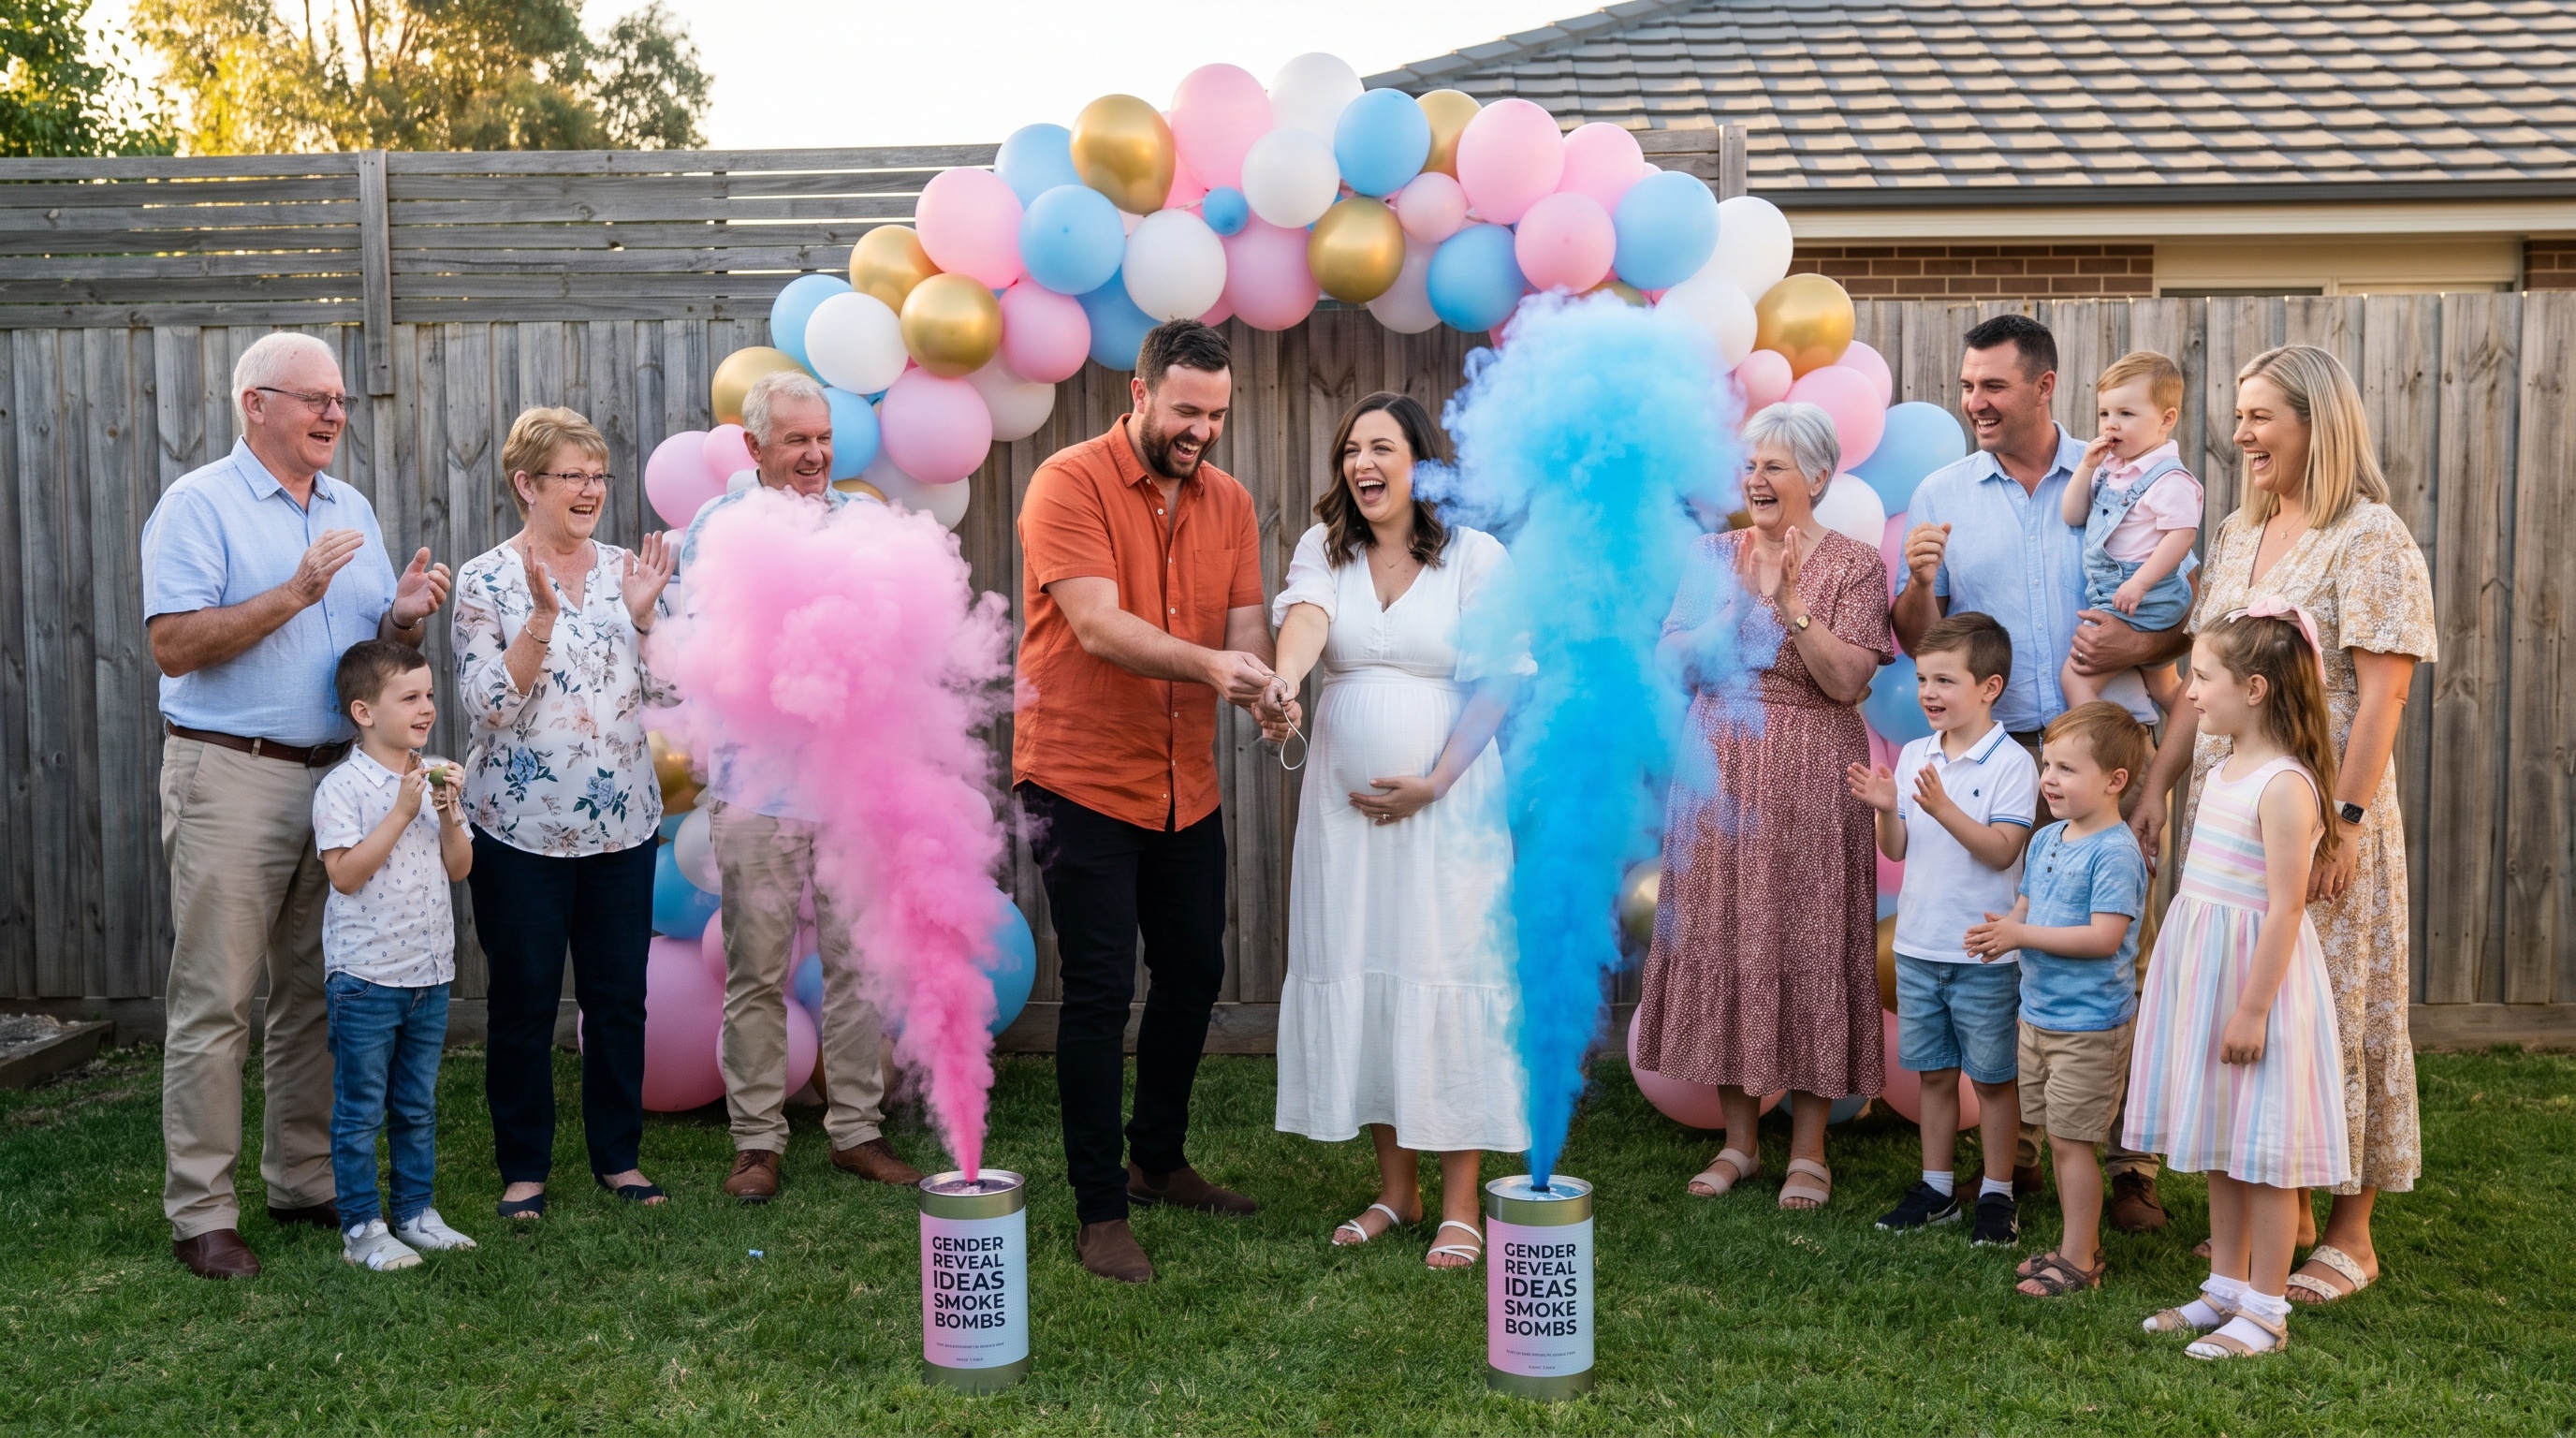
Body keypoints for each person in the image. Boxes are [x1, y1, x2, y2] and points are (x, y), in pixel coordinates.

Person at [141, 330, 452, 1280]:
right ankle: (201, 1212)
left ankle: (303, 1178)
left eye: (340, 400)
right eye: (312, 398)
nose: (332, 414)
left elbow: (365, 650)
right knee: (218, 1001)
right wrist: (292, 591)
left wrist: (399, 615)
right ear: (255, 405)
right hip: (232, 776)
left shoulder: (351, 505)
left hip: (336, 781)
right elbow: (174, 644)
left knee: (315, 994)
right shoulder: (198, 505)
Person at [2131, 345, 2437, 1308]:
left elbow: (2383, 697)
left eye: (2261, 415)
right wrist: (2157, 784)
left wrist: (2341, 826)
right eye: (2239, 413)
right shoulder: (2236, 531)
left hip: (2322, 813)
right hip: (2232, 811)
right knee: (2247, 1001)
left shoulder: (2370, 537)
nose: (2240, 432)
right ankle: (2282, 1207)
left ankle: (2350, 1233)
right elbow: (2200, 678)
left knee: (2333, 1008)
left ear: (2318, 423)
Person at [1015, 319, 1290, 1284]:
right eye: (1184, 410)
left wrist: (1267, 692)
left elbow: (1247, 629)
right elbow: (1096, 626)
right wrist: (1217, 666)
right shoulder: (1068, 483)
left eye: (1216, 415)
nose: (1200, 430)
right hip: (1078, 775)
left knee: (1192, 974)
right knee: (1097, 992)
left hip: (1185, 784)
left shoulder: (1231, 502)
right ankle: (1098, 1211)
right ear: (1137, 393)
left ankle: (1157, 1162)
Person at [1895, 313, 2181, 1227]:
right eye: (1967, 386)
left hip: (2107, 748)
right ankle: (2008, 1164)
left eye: (1992, 387)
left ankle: (2127, 1164)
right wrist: (1918, 582)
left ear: (2044, 387)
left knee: (2117, 947)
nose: (1974, 402)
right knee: (2007, 952)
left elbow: (2178, 615)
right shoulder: (1940, 491)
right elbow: (1918, 643)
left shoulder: (2121, 478)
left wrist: (2141, 648)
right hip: (1997, 756)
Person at [1268, 392, 1527, 1270]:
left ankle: (1462, 1204)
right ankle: (1397, 1191)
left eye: (1382, 447)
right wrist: (1285, 684)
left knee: (1445, 971)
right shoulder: (1323, 549)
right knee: (1371, 971)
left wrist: (1437, 780)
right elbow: (1306, 621)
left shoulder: (1475, 557)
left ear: (1424, 463)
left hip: (1448, 805)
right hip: (1345, 823)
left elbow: (1500, 680)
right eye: (1350, 450)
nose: (1361, 463)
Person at [668, 371, 923, 1203]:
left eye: (823, 439)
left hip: (850, 788)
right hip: (758, 787)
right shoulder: (718, 529)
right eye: (796, 441)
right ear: (754, 448)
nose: (816, 454)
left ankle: (855, 1129)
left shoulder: (864, 522)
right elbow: (710, 651)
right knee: (757, 972)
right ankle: (757, 1141)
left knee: (856, 968)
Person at [1636, 402, 1892, 1212]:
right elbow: (1672, 663)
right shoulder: (1713, 555)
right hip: (1717, 762)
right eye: (1751, 466)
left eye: (1776, 466)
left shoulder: (1855, 564)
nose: (1757, 479)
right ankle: (1740, 1144)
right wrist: (1729, 611)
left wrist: (1787, 604)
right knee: (1723, 929)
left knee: (1810, 935)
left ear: (1818, 478)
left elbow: (1848, 681)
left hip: (1815, 764)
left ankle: (1809, 1151)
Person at [454, 406, 678, 1217]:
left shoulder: (631, 571)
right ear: (526, 484)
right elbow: (485, 706)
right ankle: (525, 1169)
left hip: (623, 823)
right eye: (572, 476)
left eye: (597, 476)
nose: (590, 491)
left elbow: (678, 694)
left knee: (619, 998)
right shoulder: (484, 581)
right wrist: (542, 623)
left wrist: (649, 618)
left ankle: (619, 1159)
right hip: (518, 830)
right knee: (523, 999)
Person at [2126, 608, 2351, 1358]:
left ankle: (2265, 1309)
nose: (2189, 693)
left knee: (2264, 1156)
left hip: (2260, 989)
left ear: (2253, 689)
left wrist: (2253, 1009)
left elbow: (2286, 906)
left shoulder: (2285, 785)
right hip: (2211, 978)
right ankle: (2223, 1288)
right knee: (2224, 1145)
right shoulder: (2223, 769)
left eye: (2203, 677)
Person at [1849, 612, 2034, 1246]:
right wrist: (1885, 811)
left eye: (1945, 680)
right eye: (1924, 678)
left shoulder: (2012, 764)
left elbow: (2001, 851)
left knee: (1990, 1078)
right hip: (1919, 944)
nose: (1928, 692)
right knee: (1933, 1073)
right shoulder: (1915, 755)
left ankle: (1997, 1193)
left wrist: (1944, 807)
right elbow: (1898, 849)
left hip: (1981, 951)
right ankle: (1935, 1187)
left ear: (1988, 688)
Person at [1960, 702, 2154, 1298]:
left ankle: (2082, 1259)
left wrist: (2022, 935)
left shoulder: (2115, 853)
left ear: (2114, 781)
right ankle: (2075, 1242)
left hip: (2089, 1025)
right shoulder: (2048, 836)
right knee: (2058, 1137)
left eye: (2066, 769)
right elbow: (2026, 903)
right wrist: (2006, 929)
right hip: (2039, 1016)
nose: (2048, 779)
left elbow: (2103, 938)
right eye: (2048, 766)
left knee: (2073, 1147)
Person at [312, 640, 476, 1270]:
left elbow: (459, 869)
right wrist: (404, 811)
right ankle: (362, 1230)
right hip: (365, 978)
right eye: (408, 697)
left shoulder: (432, 775)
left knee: (415, 1105)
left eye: (429, 694)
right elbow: (346, 875)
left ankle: (415, 1214)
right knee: (359, 1112)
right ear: (362, 711)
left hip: (429, 973)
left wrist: (447, 812)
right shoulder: (343, 788)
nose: (426, 707)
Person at [2057, 351, 2201, 712]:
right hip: (2128, 594)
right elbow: (2072, 514)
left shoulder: (2169, 479)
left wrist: (2139, 584)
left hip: (2143, 595)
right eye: (2105, 413)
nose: (2111, 425)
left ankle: (2088, 747)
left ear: (2166, 419)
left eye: (2126, 414)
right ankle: (2205, 749)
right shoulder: (2111, 470)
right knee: (2166, 688)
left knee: (2074, 677)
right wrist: (2086, 468)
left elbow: (2181, 537)